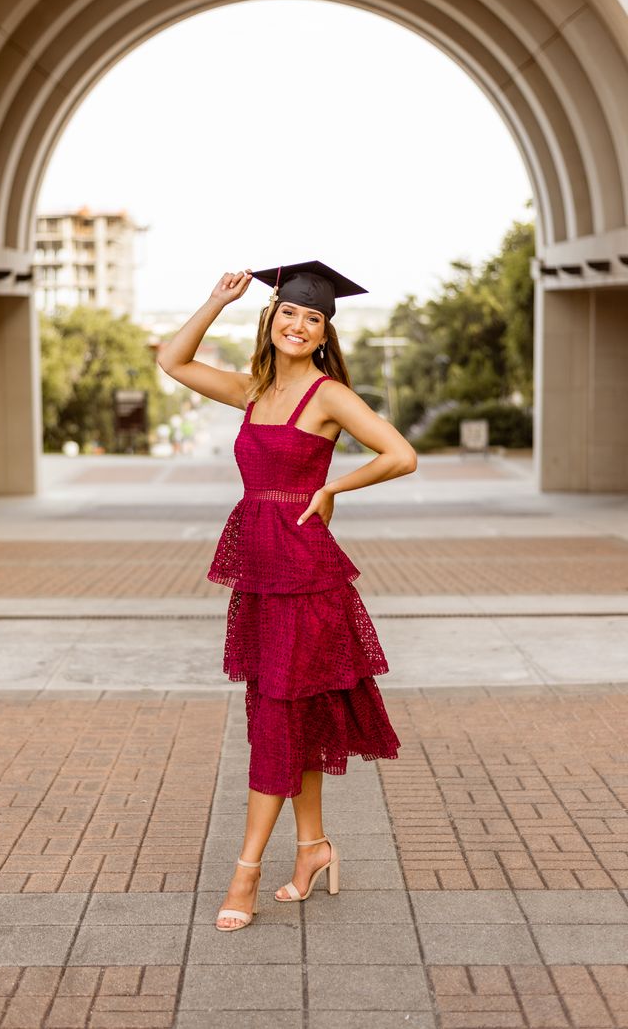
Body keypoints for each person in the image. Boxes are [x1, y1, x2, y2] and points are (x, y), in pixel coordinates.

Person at [157, 261, 417, 932]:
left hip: (305, 579)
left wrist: (334, 489)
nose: (300, 325)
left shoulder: (327, 396)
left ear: (325, 333)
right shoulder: (252, 390)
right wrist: (216, 299)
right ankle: (312, 850)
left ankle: (243, 875)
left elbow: (399, 454)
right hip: (262, 578)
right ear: (271, 319)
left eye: (314, 318)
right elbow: (173, 360)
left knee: (274, 722)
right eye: (291, 313)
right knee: (285, 717)